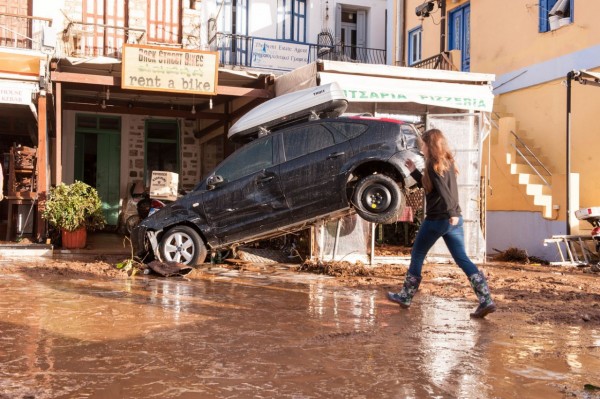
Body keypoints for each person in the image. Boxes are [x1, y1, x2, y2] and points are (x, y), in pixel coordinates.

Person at [387, 128, 496, 318]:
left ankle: (405, 296)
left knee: (418, 253)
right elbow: (430, 187)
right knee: (462, 259)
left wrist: (451, 212)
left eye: (423, 144)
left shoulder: (433, 165)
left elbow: (444, 191)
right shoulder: (447, 163)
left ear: (430, 145)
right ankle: (486, 299)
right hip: (454, 220)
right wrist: (413, 172)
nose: (421, 147)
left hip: (439, 219)